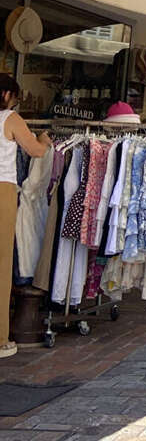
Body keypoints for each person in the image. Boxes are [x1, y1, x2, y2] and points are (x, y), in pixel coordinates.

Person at [0, 74, 52, 358]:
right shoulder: (10, 118)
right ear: (7, 95)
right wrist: (42, 139)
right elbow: (35, 151)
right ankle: (0, 338)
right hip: (3, 190)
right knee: (2, 263)